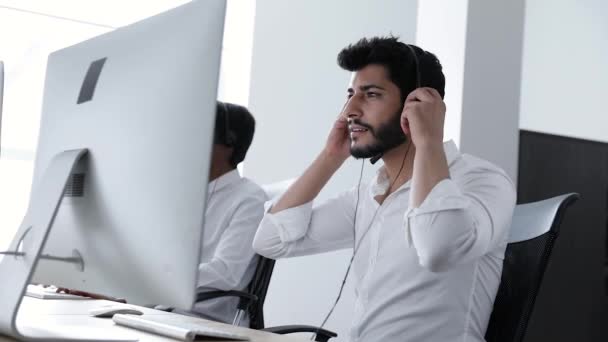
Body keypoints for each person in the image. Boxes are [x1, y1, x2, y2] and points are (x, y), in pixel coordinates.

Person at [252, 36, 516, 341]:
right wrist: (330, 157)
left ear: (417, 103)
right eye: (351, 94)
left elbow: (437, 249)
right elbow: (270, 241)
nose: (349, 110)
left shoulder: (482, 180)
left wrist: (428, 139)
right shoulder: (371, 194)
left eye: (371, 94)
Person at [192, 101, 266, 325]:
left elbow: (226, 272)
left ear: (229, 142)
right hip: (156, 310)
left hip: (203, 320)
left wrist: (163, 277)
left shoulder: (249, 199)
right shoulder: (189, 194)